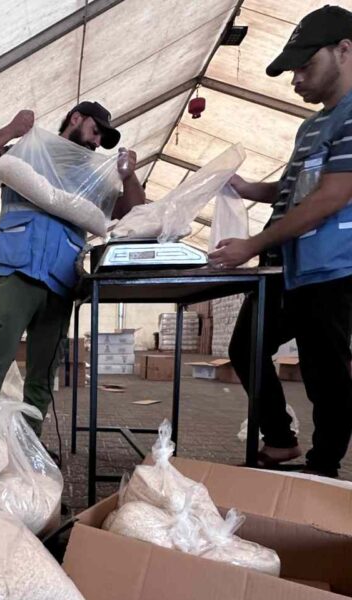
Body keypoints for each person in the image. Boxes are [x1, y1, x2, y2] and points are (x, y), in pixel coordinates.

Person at [210, 5, 352, 478]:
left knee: (324, 372)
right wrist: (253, 190)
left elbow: (334, 195)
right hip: (288, 263)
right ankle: (280, 439)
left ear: (344, 51)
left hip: (333, 267)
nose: (295, 80)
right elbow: (299, 189)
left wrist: (251, 244)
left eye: (305, 67)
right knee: (246, 346)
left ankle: (323, 467)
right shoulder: (311, 124)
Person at [0, 102, 145, 435]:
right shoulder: (27, 154)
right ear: (76, 118)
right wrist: (11, 130)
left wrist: (129, 177)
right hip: (15, 271)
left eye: (104, 137)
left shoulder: (95, 178)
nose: (98, 140)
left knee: (42, 376)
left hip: (61, 282)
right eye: (96, 129)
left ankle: (30, 447)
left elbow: (133, 215)